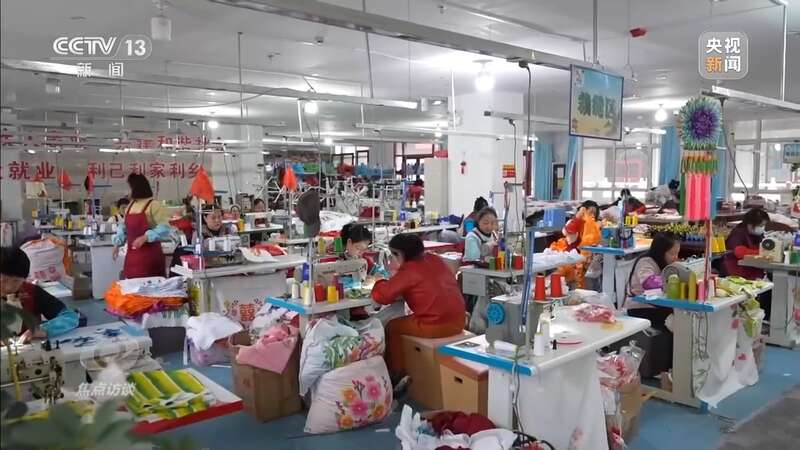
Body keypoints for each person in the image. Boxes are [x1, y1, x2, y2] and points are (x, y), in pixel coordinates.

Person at [371, 234, 465, 378]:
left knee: (392, 327)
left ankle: (397, 373)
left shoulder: (408, 271)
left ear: (400, 254)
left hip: (435, 325)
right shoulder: (435, 259)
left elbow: (382, 296)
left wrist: (379, 281)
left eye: (393, 255)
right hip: (459, 320)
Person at [1, 247, 79, 343]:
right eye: (4, 281)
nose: (9, 287)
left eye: (16, 281)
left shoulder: (32, 292)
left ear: (24, 279)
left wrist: (44, 330)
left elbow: (70, 317)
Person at [112, 173, 171, 279]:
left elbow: (165, 228)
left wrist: (145, 237)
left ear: (136, 188)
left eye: (129, 188)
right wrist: (117, 243)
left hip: (150, 259)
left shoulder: (154, 205)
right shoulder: (130, 205)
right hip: (132, 258)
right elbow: (124, 227)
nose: (128, 192)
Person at [624, 233, 681, 330]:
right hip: (639, 307)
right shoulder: (645, 262)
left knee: (682, 317)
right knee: (675, 323)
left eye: (677, 253)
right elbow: (649, 283)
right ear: (660, 251)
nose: (676, 257)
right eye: (672, 254)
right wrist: (672, 282)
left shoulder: (665, 263)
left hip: (656, 304)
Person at [722, 208, 772, 316]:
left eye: (764, 225)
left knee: (770, 285)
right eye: (761, 225)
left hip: (752, 270)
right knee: (768, 287)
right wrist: (761, 252)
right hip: (738, 272)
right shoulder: (738, 233)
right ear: (750, 224)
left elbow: (764, 247)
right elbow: (739, 252)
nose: (762, 228)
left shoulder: (757, 234)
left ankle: (764, 315)